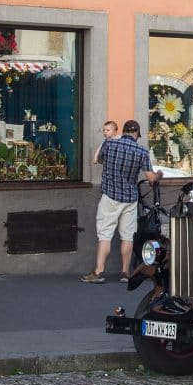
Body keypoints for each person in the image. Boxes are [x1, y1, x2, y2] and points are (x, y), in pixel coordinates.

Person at [81, 119, 163, 284]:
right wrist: (159, 174)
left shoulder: (109, 144)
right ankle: (125, 272)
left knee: (105, 235)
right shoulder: (141, 151)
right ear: (135, 134)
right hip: (130, 199)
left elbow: (100, 160)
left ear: (123, 131)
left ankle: (99, 272)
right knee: (127, 236)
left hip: (110, 196)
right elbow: (150, 178)